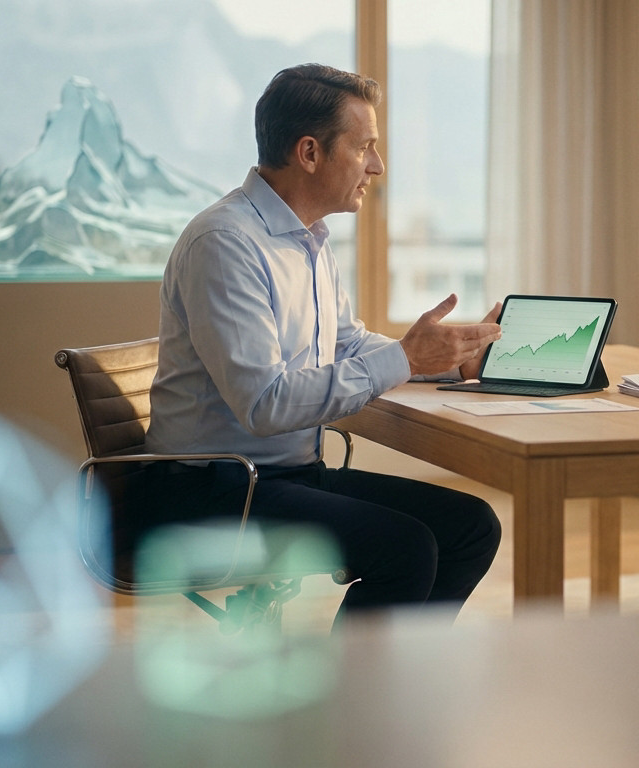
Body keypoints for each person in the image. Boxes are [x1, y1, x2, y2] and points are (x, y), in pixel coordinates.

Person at [140, 63, 503, 621]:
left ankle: (386, 689)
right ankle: (354, 704)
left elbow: (346, 342)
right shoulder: (225, 243)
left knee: (470, 526)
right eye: (365, 148)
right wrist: (404, 358)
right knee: (405, 548)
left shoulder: (308, 240)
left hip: (281, 477)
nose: (376, 167)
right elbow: (265, 404)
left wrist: (445, 361)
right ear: (309, 153)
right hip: (213, 493)